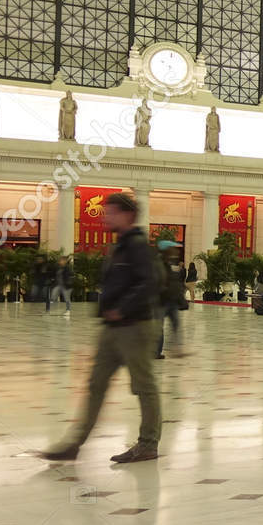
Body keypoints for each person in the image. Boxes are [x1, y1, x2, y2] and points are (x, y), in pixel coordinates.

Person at [40, 193, 162, 463]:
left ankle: (148, 444)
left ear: (127, 215)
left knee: (144, 386)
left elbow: (150, 283)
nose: (104, 217)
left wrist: (123, 307)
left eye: (110, 212)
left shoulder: (138, 246)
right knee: (95, 384)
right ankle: (75, 443)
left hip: (135, 327)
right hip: (112, 328)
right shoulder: (119, 246)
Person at [156, 245, 187, 359]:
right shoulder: (159, 265)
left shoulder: (171, 265)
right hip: (162, 301)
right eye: (173, 253)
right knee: (160, 327)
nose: (175, 255)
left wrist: (181, 299)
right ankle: (157, 352)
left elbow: (176, 283)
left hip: (171, 301)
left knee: (175, 326)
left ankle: (176, 350)